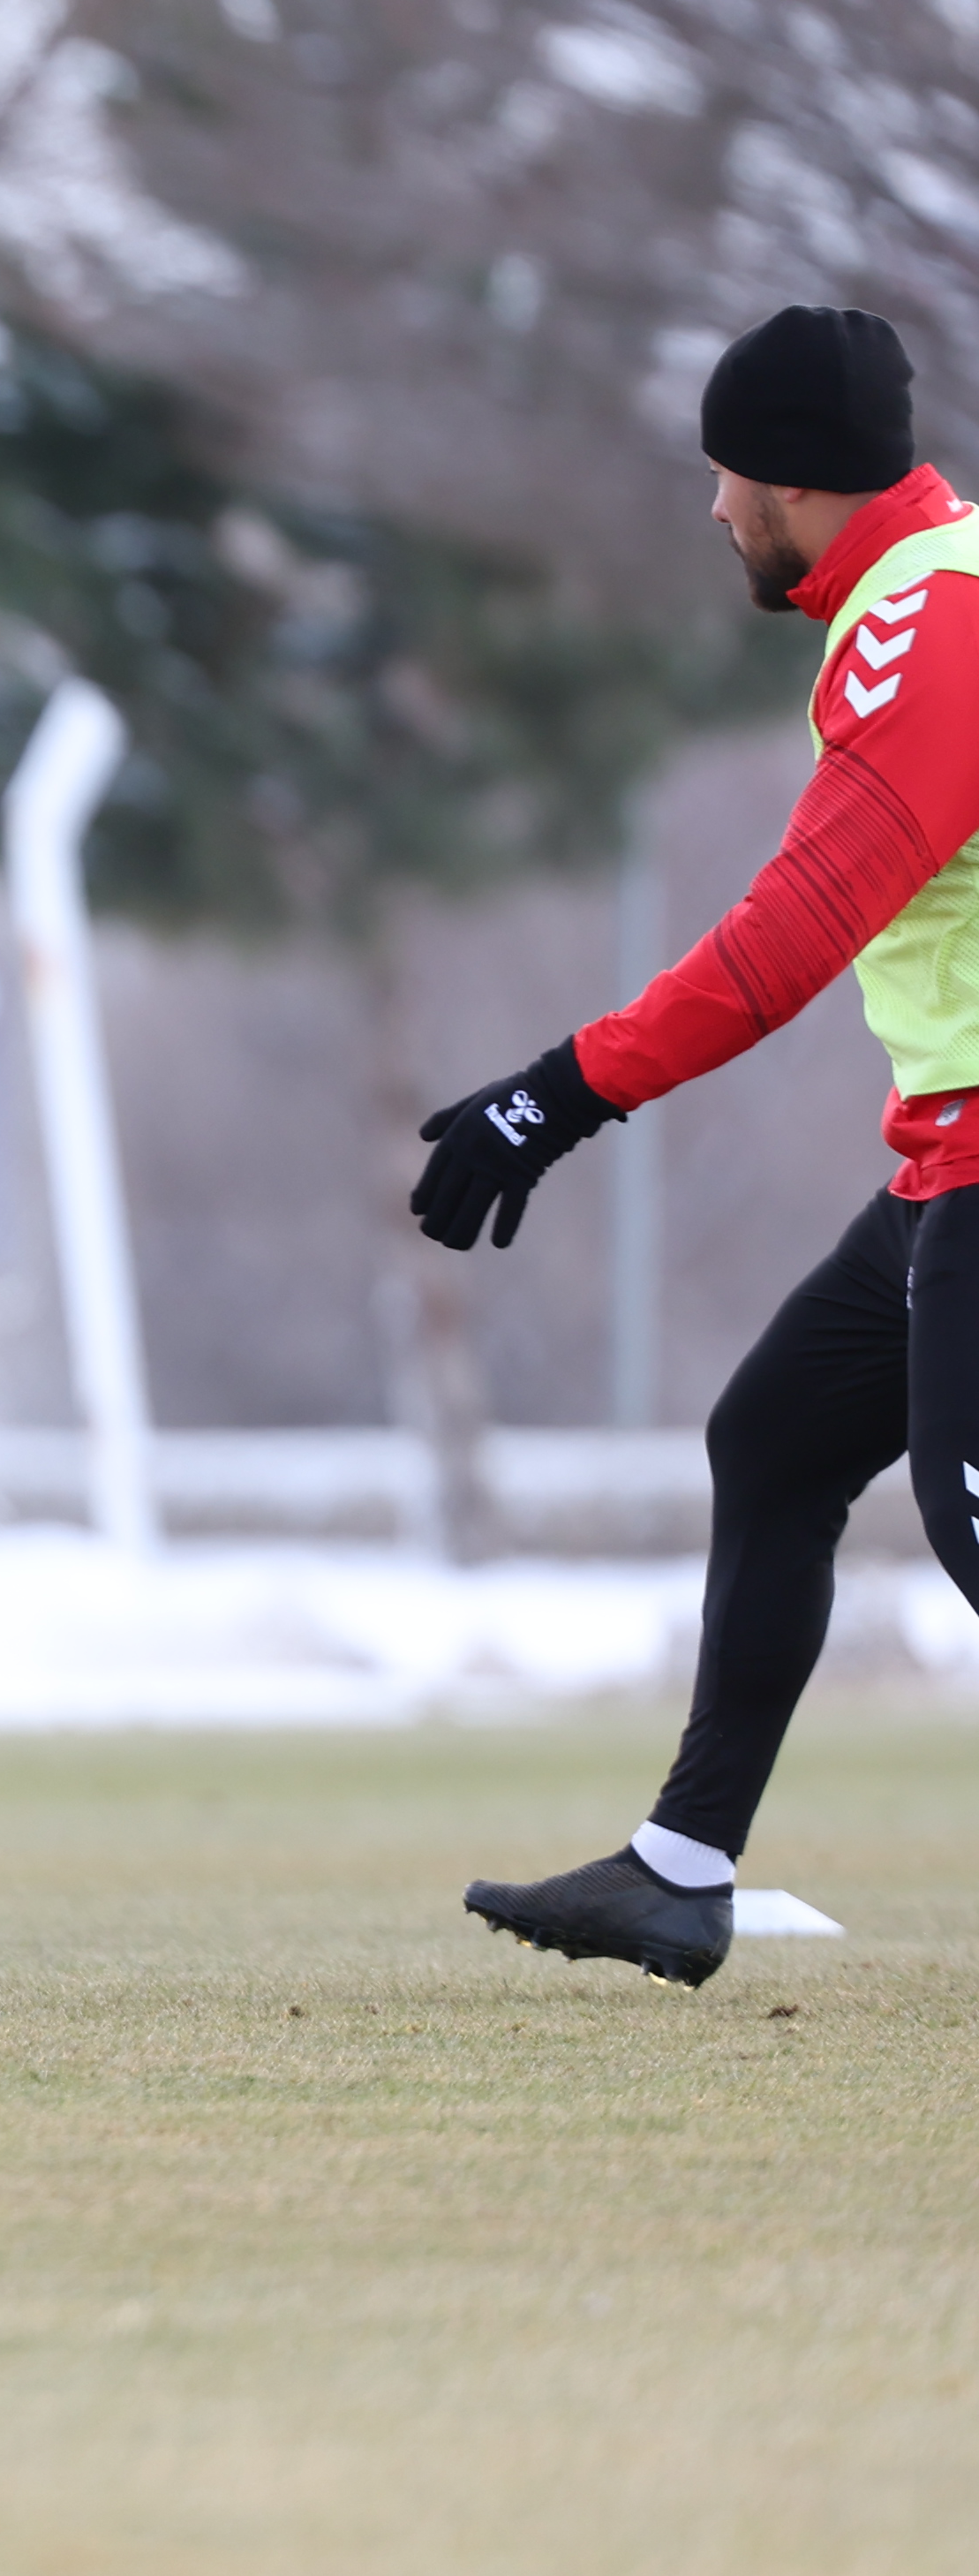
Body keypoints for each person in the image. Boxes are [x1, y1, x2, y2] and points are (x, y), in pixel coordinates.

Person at [420, 305, 979, 1987]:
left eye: (727, 477)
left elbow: (791, 938)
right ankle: (680, 1869)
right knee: (782, 1441)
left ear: (792, 484)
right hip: (949, 1156)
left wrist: (558, 1090)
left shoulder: (923, 635)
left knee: (970, 1521)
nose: (716, 511)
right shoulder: (937, 585)